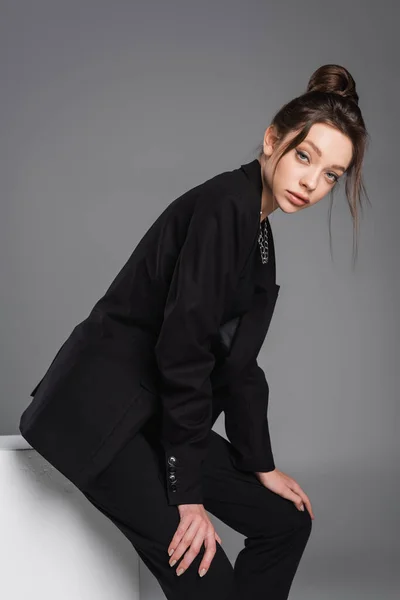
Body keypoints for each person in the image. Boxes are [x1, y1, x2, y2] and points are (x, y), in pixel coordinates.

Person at [19, 63, 369, 600]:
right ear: (272, 138)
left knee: (285, 522)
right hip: (97, 416)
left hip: (149, 412)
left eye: (331, 175)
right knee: (208, 578)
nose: (311, 182)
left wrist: (261, 464)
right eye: (305, 156)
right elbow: (183, 349)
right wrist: (188, 495)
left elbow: (238, 364)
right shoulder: (223, 207)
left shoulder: (258, 235)